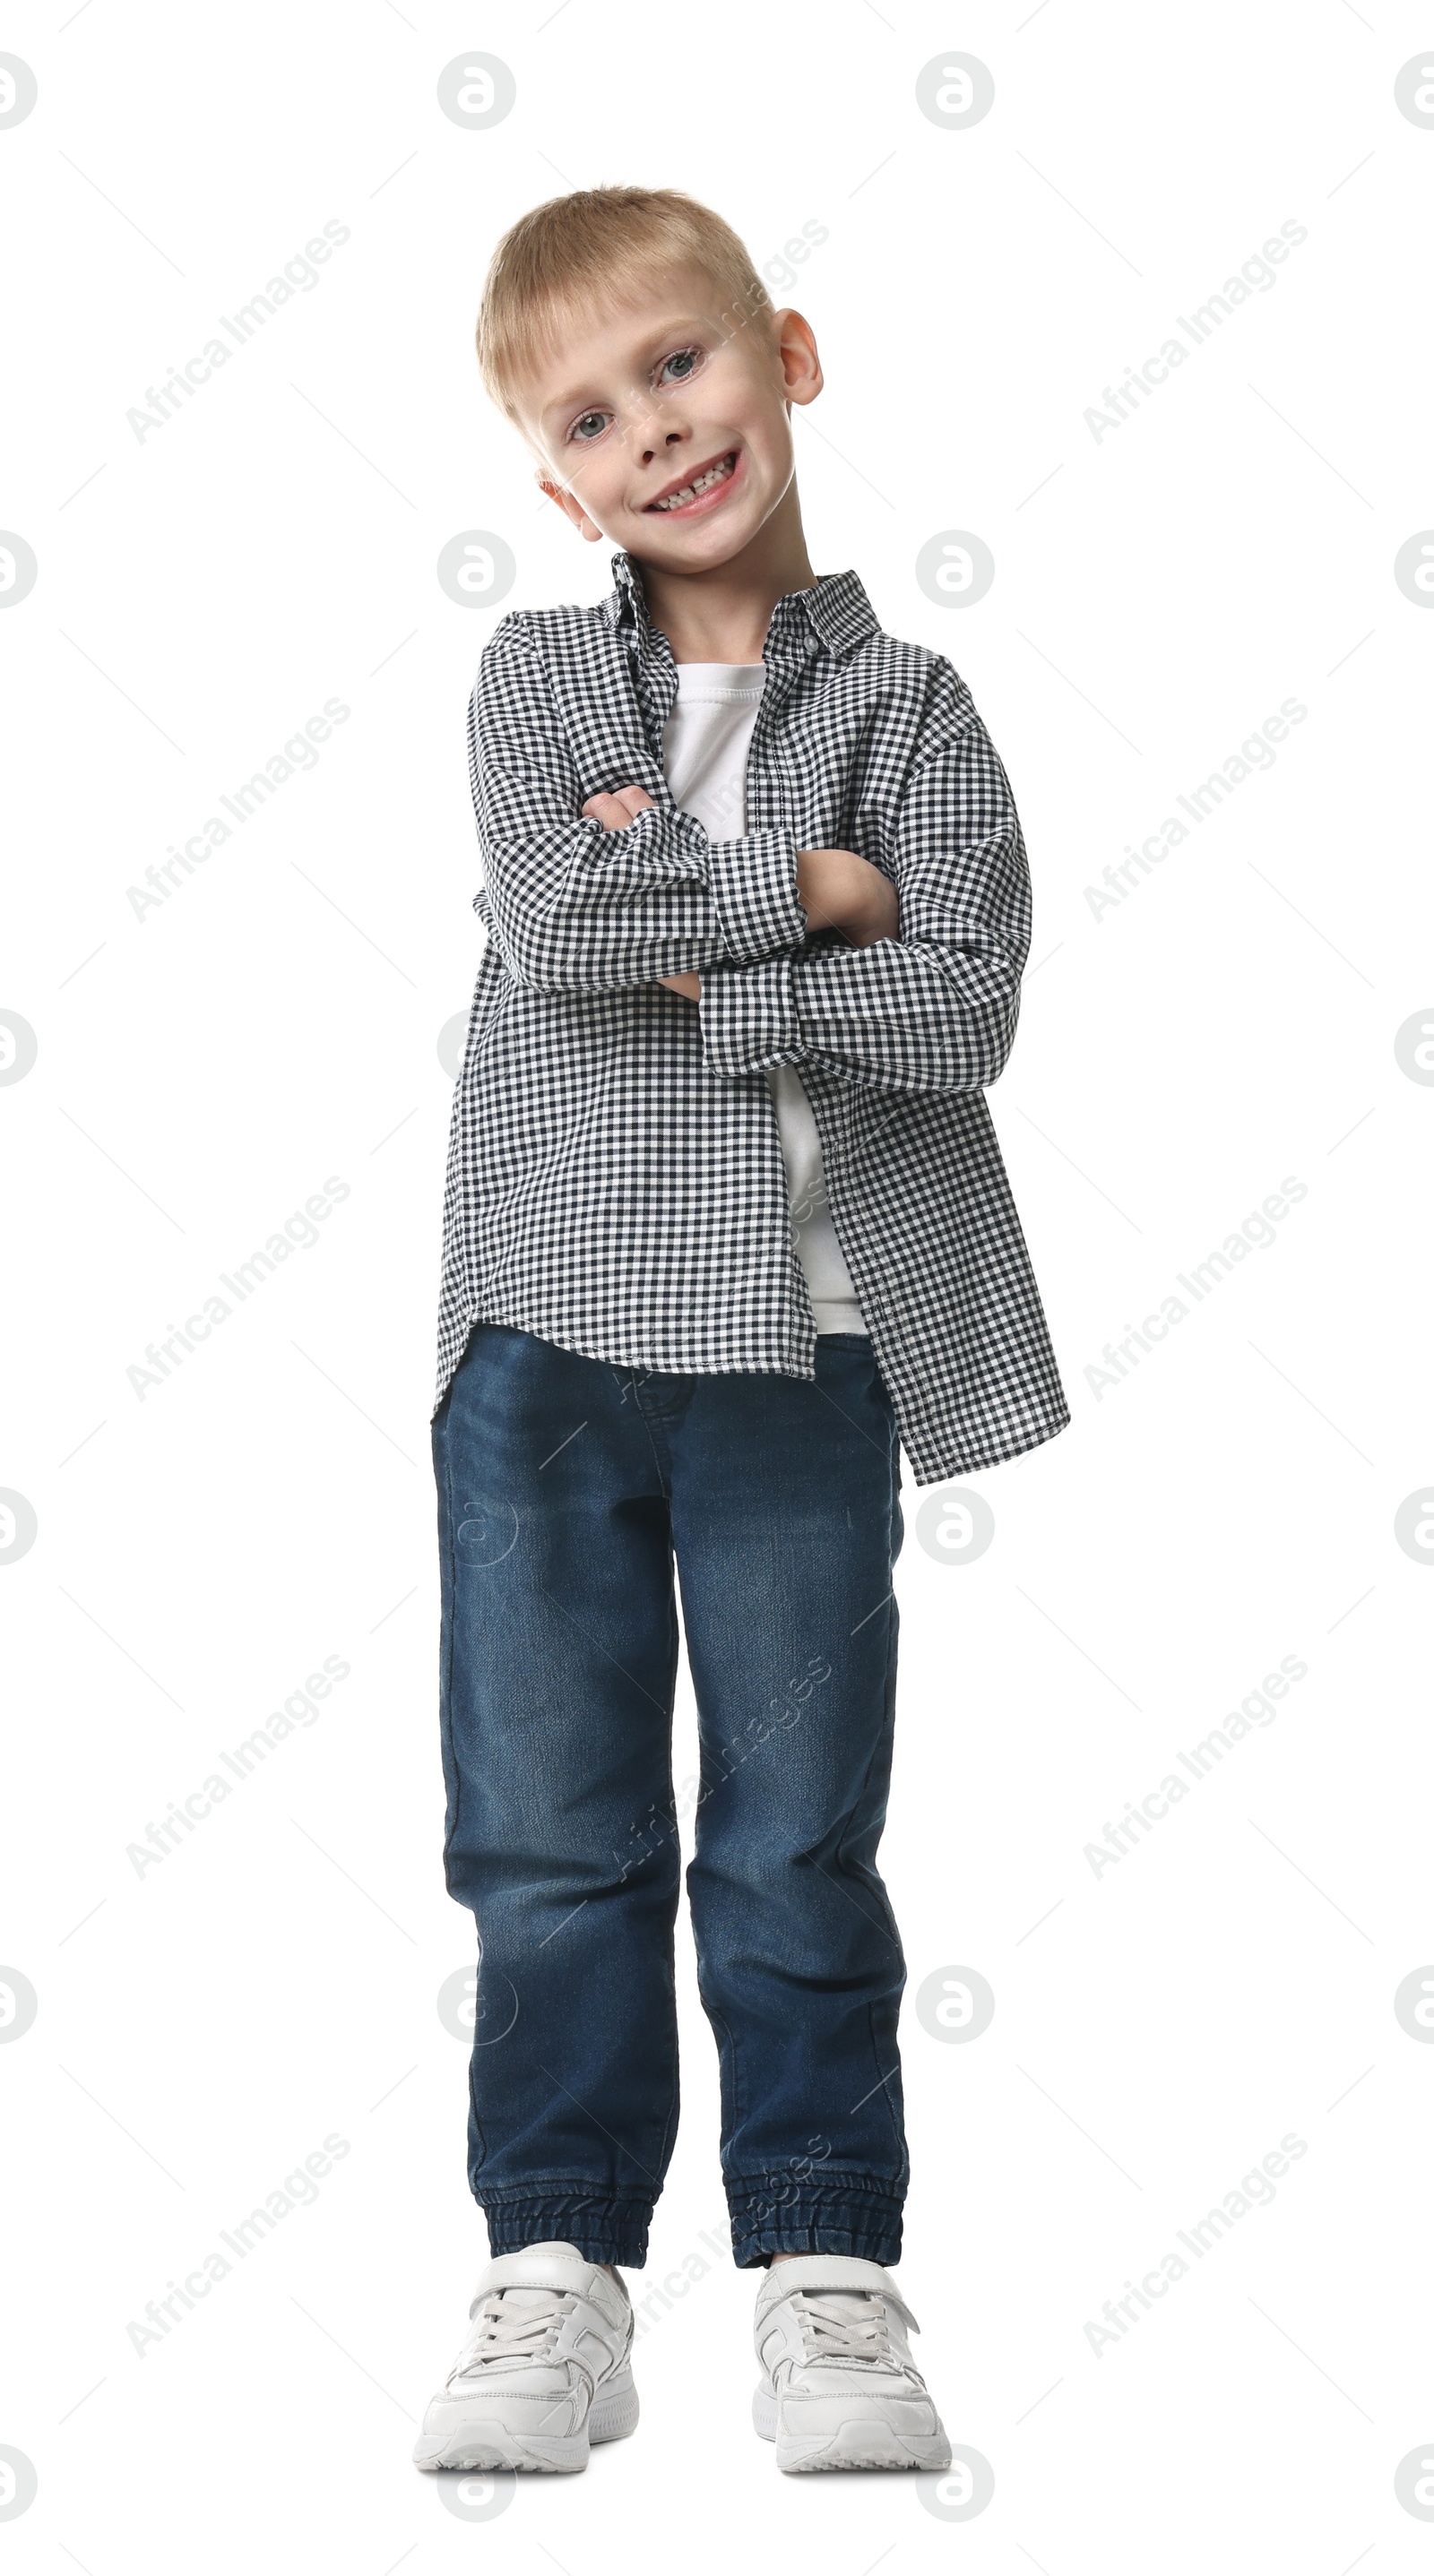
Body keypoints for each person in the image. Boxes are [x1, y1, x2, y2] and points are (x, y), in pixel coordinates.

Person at [414, 185, 1067, 2477]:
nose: (654, 433)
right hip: (543, 1350)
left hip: (807, 1354)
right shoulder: (535, 683)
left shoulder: (905, 704)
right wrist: (807, 893)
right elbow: (555, 913)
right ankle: (560, 2262)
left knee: (792, 1833)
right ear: (551, 478)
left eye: (680, 368)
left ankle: (821, 2260)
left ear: (783, 356)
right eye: (591, 415)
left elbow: (960, 1002)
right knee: (549, 1831)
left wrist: (685, 946)